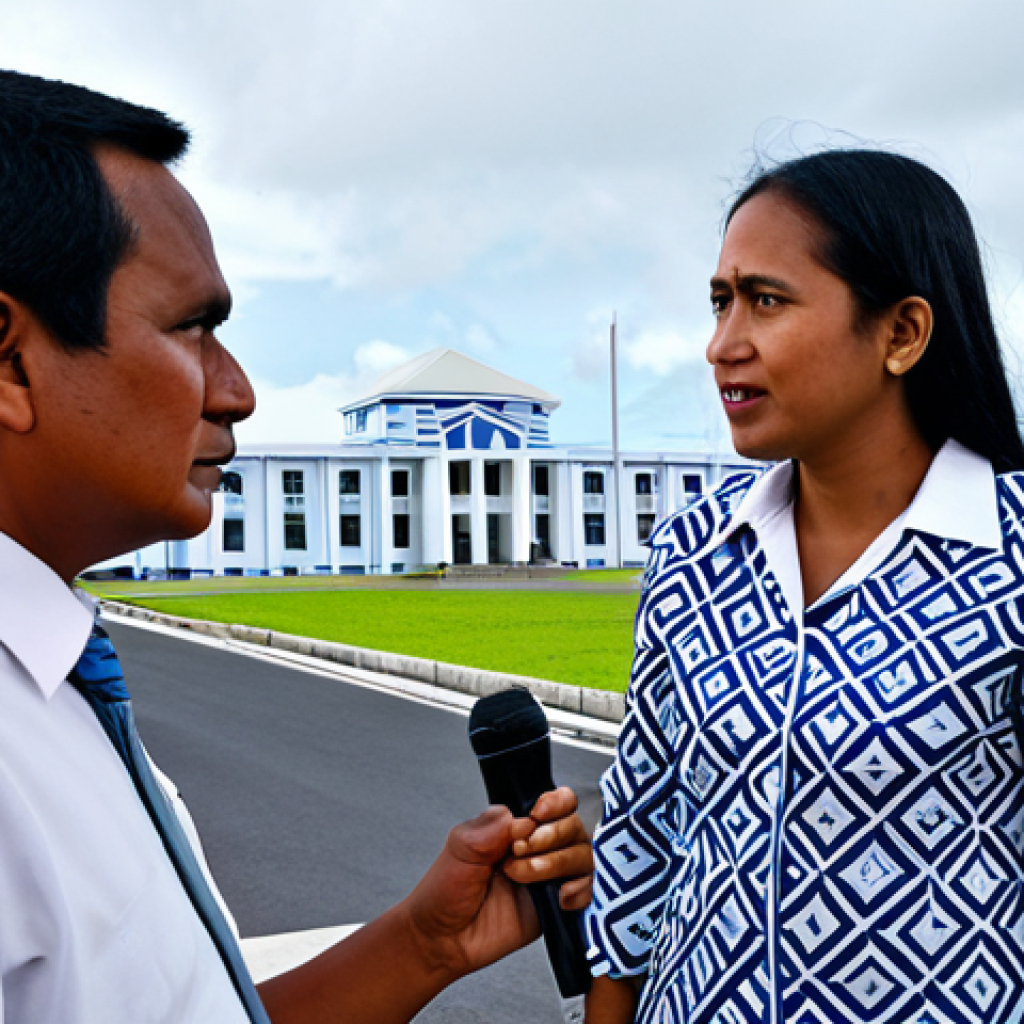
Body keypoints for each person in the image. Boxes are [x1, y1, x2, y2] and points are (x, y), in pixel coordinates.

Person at [0, 70, 593, 1024]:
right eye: (193, 328)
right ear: (9, 356)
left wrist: (421, 944)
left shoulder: (57, 689)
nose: (236, 392)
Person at [583, 147, 1024, 1024]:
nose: (721, 345)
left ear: (901, 332)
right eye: (720, 301)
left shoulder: (1013, 559)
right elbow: (639, 843)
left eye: (766, 300)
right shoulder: (691, 555)